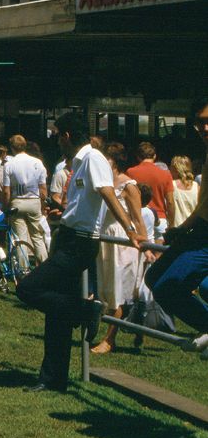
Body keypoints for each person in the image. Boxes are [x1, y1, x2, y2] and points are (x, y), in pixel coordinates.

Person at [16, 112, 143, 393]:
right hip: (70, 236)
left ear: (67, 136)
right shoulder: (77, 162)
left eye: (58, 135)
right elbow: (88, 202)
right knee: (56, 314)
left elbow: (109, 194)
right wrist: (64, 211)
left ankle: (85, 309)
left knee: (27, 288)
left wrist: (131, 230)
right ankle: (53, 378)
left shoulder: (93, 158)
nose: (56, 141)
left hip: (80, 243)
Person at [144, 98, 208, 352]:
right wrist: (183, 228)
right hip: (200, 228)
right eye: (201, 123)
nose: (204, 129)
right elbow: (205, 204)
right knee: (153, 277)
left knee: (167, 286)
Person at [91, 143, 146, 354]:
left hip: (123, 243)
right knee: (106, 291)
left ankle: (109, 339)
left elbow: (138, 219)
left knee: (119, 292)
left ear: (115, 163)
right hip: (105, 240)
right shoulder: (104, 184)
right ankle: (125, 330)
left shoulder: (129, 185)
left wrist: (146, 247)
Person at [3, 134, 49, 263]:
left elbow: (6, 191)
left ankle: (23, 269)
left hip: (17, 201)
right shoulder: (37, 162)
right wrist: (43, 205)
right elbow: (43, 188)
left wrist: (6, 207)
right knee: (37, 237)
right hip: (34, 201)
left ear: (12, 147)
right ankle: (43, 265)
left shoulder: (9, 164)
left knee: (20, 238)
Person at [126, 141, 174, 241]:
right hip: (160, 217)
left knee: (139, 252)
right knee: (159, 253)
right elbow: (170, 201)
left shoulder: (130, 172)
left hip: (138, 216)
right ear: (154, 156)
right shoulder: (166, 174)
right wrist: (172, 223)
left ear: (138, 157)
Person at [167, 155, 199, 228]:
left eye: (171, 167)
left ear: (175, 169)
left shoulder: (171, 185)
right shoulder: (197, 187)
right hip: (192, 228)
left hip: (176, 228)